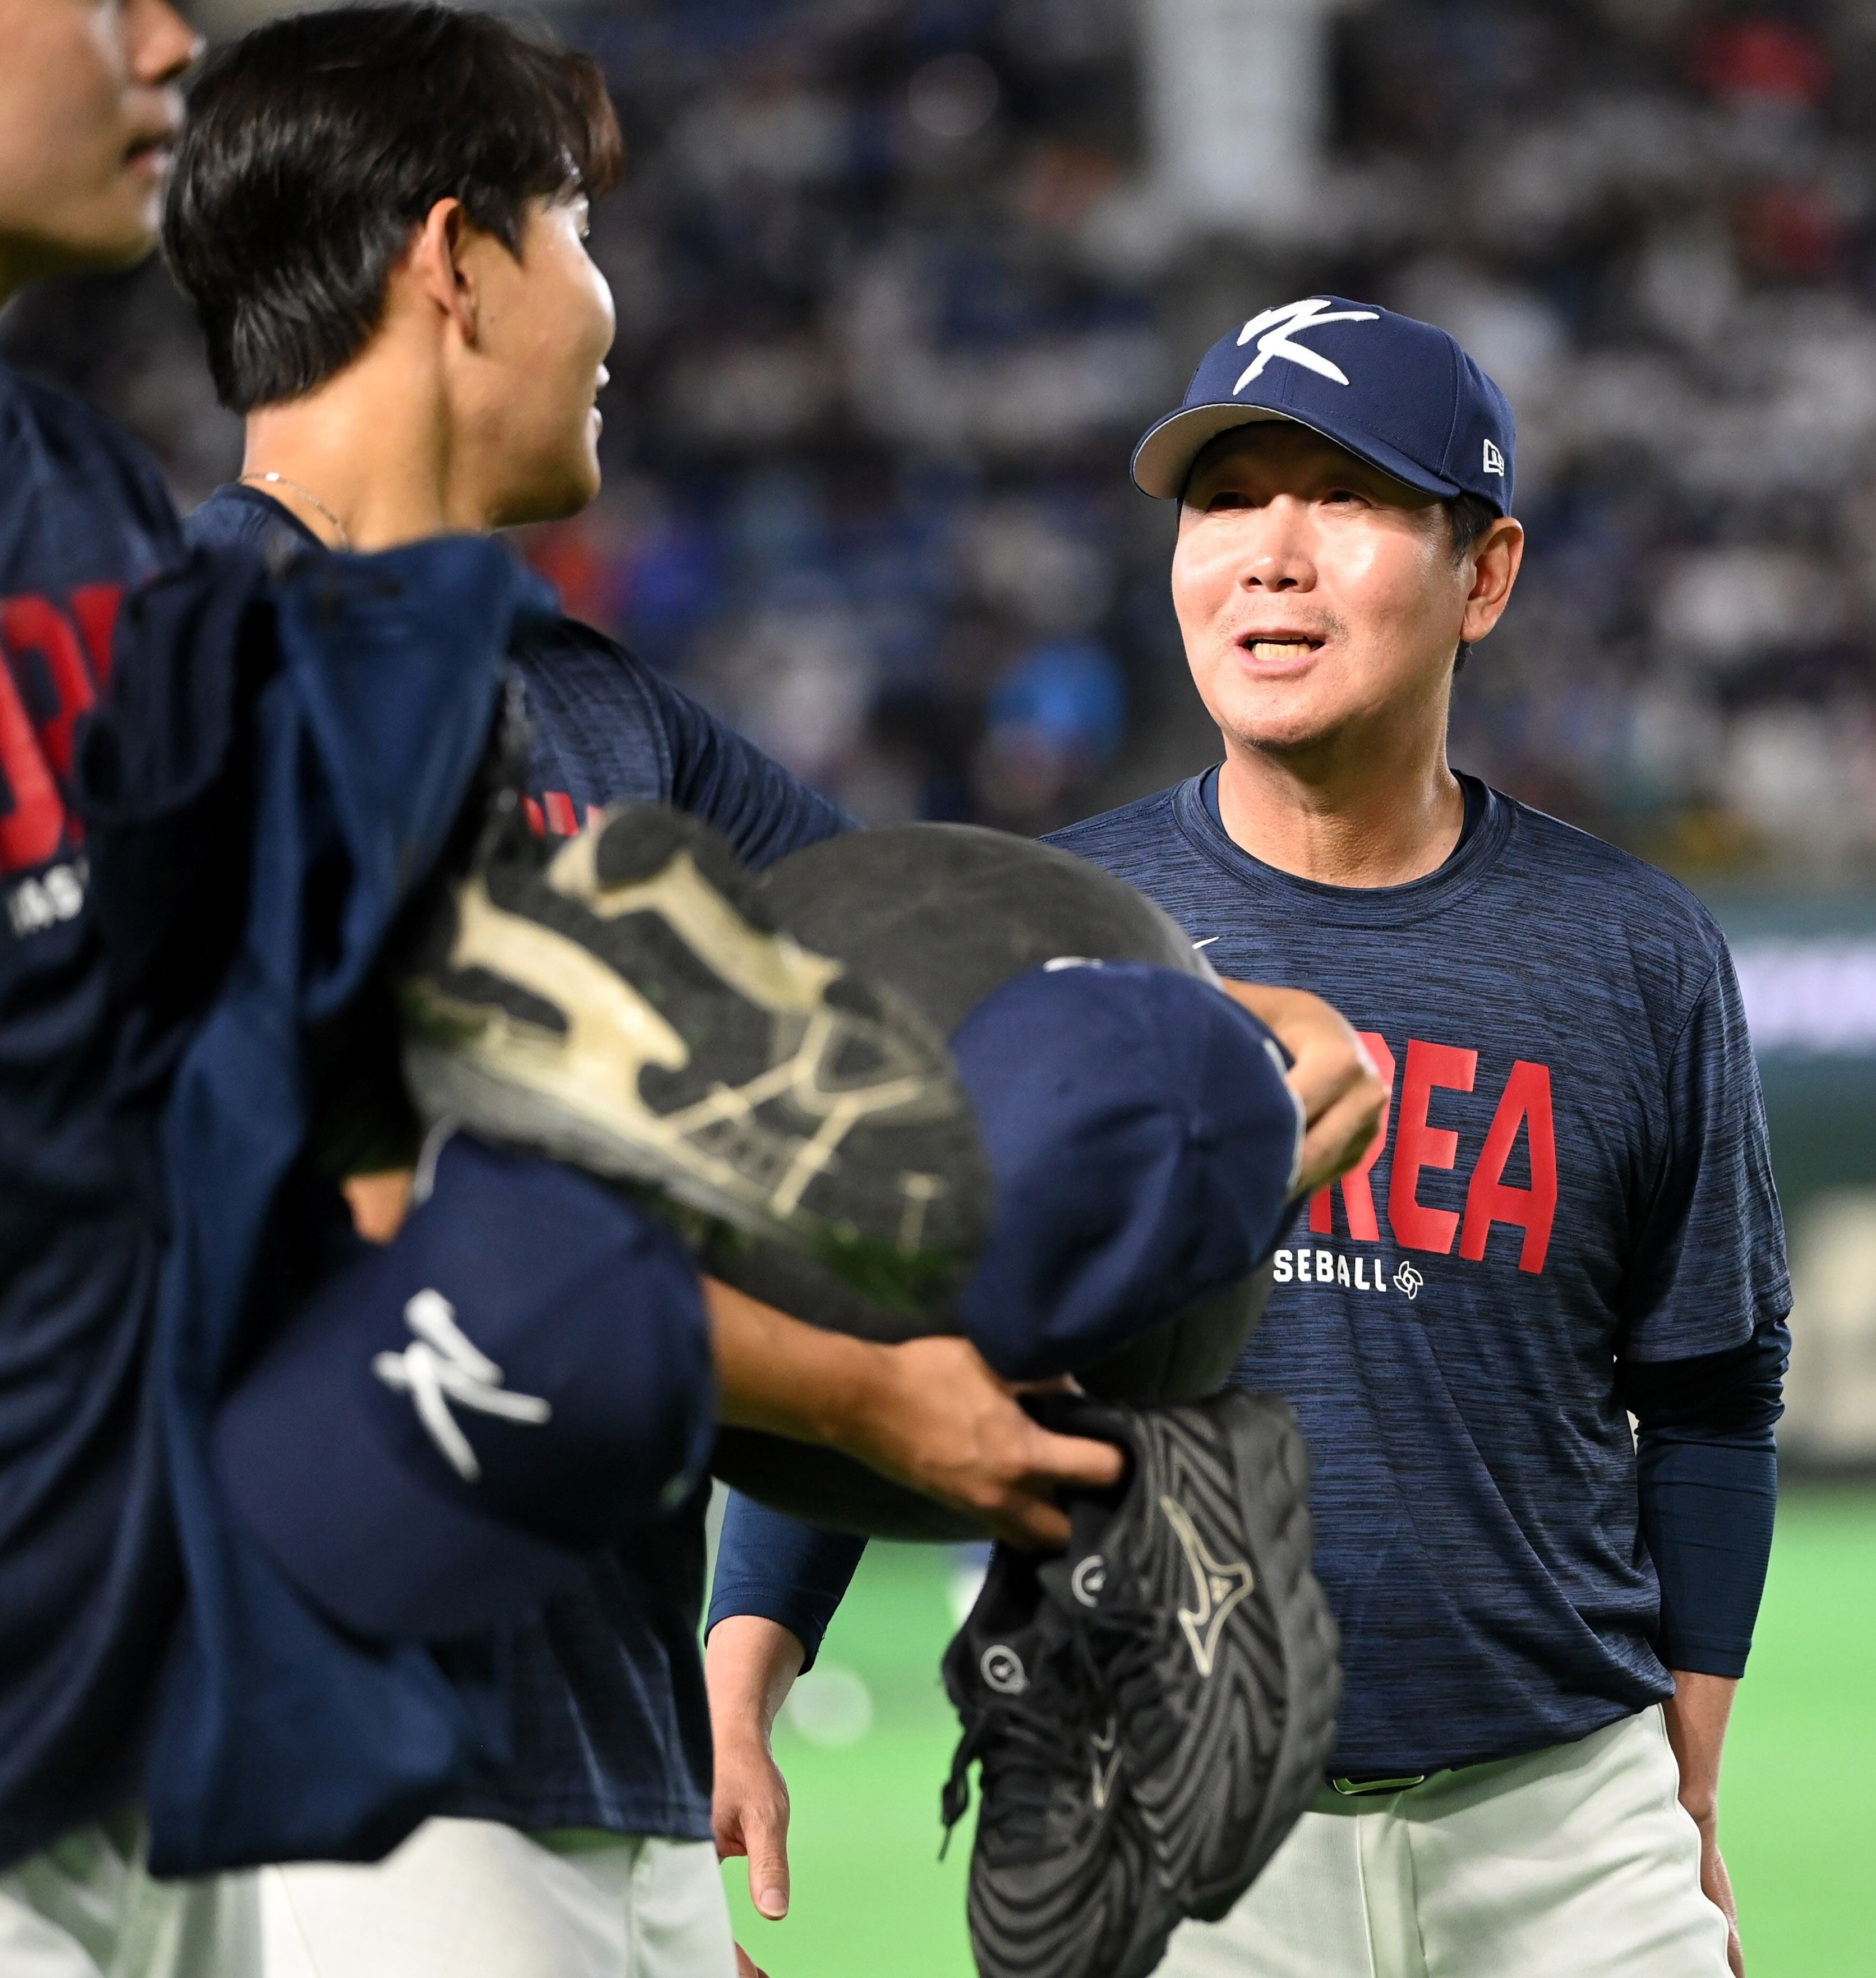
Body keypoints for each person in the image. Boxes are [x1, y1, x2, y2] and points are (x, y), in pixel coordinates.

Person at [159, 15, 1380, 1977]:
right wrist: (867, 1396)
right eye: (577, 230)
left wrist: (1236, 1048)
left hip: (586, 1764)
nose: (608, 306)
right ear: (456, 262)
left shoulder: (597, 709)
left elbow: (950, 974)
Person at [706, 300, 1787, 1978]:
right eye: (1224, 502)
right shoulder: (1035, 927)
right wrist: (743, 1672)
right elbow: (870, 1319)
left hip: (1565, 1831)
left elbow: (1712, 1394)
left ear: (1485, 574)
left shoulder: (1634, 953)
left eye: (1344, 497)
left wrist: (1685, 1776)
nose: (1271, 554)